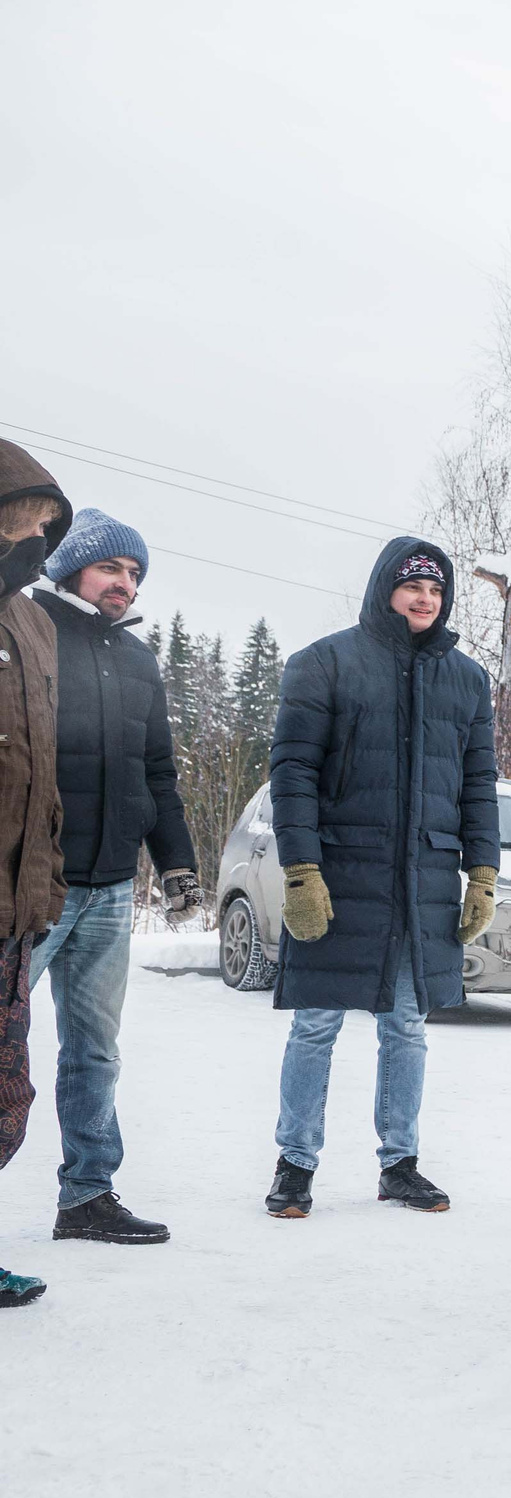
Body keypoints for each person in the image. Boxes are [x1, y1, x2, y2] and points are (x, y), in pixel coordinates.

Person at [262, 539, 497, 1219]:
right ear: (384, 589)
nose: (426, 599)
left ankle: (401, 1164)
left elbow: (477, 784)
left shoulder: (467, 680)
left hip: (421, 880)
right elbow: (293, 773)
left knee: (407, 1027)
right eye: (412, 586)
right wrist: (301, 869)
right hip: (340, 878)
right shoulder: (324, 663)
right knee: (315, 1026)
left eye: (436, 589)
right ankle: (294, 1165)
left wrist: (482, 870)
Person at [29, 510, 197, 1250]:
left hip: (107, 892)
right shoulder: (27, 630)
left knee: (95, 1047)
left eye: (134, 574)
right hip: (32, 883)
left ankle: (88, 1193)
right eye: (110, 569)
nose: (124, 583)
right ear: (70, 568)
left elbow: (155, 770)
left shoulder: (138, 661)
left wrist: (179, 863)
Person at [0, 439, 70, 1309]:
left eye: (42, 530)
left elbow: (42, 773)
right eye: (19, 523)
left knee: (6, 1093)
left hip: (15, 908)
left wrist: (44, 884)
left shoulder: (36, 622)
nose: (31, 541)